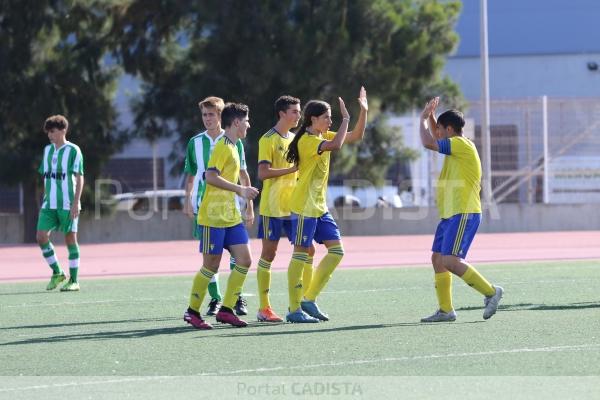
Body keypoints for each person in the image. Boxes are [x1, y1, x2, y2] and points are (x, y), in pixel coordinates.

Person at [285, 87, 368, 323]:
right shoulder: (308, 141)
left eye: (332, 117)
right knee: (300, 254)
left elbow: (354, 137)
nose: (330, 121)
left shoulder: (321, 136)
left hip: (319, 207)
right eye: (327, 117)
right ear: (314, 120)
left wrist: (363, 112)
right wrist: (346, 118)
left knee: (337, 251)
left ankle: (308, 299)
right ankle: (293, 309)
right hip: (303, 207)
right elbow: (339, 144)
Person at [418, 97, 503, 322]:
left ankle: (491, 292)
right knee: (438, 259)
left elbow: (428, 142)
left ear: (449, 129)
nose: (436, 132)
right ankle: (446, 310)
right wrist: (432, 118)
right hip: (450, 213)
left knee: (450, 261)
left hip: (463, 211)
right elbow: (436, 136)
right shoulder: (455, 143)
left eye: (439, 129)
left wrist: (423, 119)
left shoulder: (459, 144)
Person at [183, 103, 259, 329]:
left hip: (230, 216)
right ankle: (192, 312)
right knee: (211, 266)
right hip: (212, 217)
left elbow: (240, 176)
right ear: (236, 123)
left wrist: (246, 202)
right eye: (246, 121)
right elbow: (210, 176)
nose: (248, 124)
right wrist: (240, 190)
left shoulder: (235, 146)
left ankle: (226, 310)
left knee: (244, 260)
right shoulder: (222, 147)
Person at [256, 95, 316, 323]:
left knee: (308, 250)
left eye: (299, 111)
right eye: (294, 111)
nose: (299, 115)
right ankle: (264, 308)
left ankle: (303, 301)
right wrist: (292, 170)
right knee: (268, 255)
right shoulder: (267, 139)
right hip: (273, 208)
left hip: (295, 207)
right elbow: (262, 173)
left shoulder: (296, 138)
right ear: (282, 113)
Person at [36, 115, 84, 292]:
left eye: (53, 131)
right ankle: (57, 272)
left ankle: (74, 280)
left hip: (67, 203)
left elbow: (80, 178)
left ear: (63, 130)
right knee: (41, 237)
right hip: (49, 204)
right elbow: (45, 176)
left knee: (70, 238)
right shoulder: (47, 150)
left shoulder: (73, 150)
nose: (50, 135)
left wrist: (76, 202)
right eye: (48, 132)